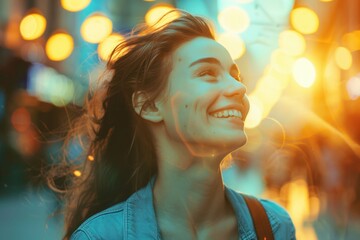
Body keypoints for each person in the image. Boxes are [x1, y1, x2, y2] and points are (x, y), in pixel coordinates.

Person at [51, 10, 296, 240]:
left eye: (236, 76)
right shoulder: (101, 236)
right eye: (207, 73)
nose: (239, 87)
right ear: (149, 106)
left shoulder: (274, 226)